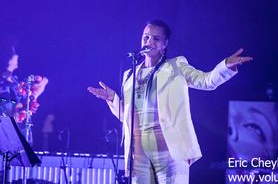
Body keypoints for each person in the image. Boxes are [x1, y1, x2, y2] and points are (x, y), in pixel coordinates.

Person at [88, 20, 252, 183]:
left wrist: (225, 66)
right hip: (138, 154)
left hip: (169, 152)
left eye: (156, 39)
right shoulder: (129, 75)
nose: (149, 42)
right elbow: (127, 117)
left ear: (164, 44)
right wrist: (112, 98)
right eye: (146, 37)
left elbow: (206, 81)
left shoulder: (175, 67)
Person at [0, 36, 48, 124]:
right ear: (8, 60)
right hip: (6, 125)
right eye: (14, 56)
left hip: (19, 125)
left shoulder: (15, 80)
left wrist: (35, 92)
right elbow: (7, 107)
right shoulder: (2, 82)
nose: (17, 58)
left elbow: (25, 99)